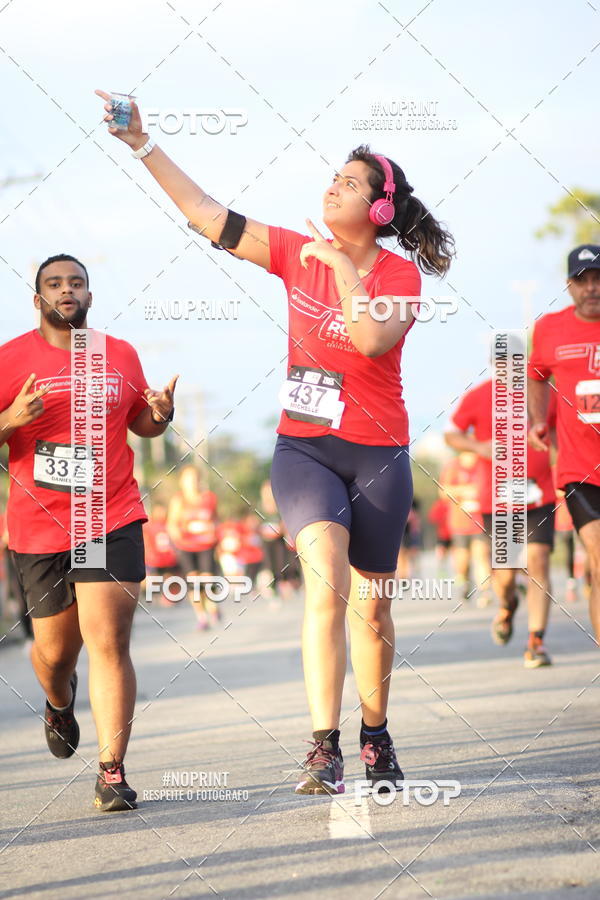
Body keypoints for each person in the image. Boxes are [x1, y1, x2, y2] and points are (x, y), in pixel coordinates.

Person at [95, 90, 454, 795]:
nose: (333, 185)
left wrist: (342, 266)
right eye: (333, 176)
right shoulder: (292, 250)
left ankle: (374, 734)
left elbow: (370, 338)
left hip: (379, 454)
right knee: (325, 575)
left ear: (380, 209)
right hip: (306, 451)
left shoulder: (399, 276)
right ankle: (323, 746)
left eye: (349, 182)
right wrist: (141, 144)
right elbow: (206, 214)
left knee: (373, 605)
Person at [0, 254, 177, 810]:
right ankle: (58, 700)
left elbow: (141, 424)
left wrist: (162, 414)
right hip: (38, 528)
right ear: (38, 300)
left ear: (90, 296)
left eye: (76, 283)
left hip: (109, 515)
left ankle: (112, 771)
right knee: (55, 655)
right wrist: (10, 420)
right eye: (55, 284)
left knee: (108, 639)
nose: (67, 290)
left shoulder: (118, 353)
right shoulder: (9, 360)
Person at [445, 381, 556, 667]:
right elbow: (452, 434)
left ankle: (536, 641)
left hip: (539, 494)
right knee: (505, 576)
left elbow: (562, 432)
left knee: (538, 560)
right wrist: (477, 446)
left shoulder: (545, 394)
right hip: (499, 500)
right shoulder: (480, 394)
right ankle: (508, 606)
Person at [528, 244, 600, 643]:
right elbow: (537, 375)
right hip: (581, 469)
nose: (592, 288)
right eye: (582, 280)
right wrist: (539, 420)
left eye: (598, 279)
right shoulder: (551, 328)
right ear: (570, 286)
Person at [167, 466, 220, 630]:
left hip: (205, 544)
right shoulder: (179, 500)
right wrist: (177, 539)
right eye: (188, 478)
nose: (192, 482)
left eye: (195, 478)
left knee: (207, 579)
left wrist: (216, 535)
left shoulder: (209, 498)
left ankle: (212, 606)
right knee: (194, 581)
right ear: (182, 481)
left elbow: (216, 520)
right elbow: (172, 524)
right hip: (186, 546)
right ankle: (202, 617)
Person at [439, 452, 492, 606]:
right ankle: (465, 583)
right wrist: (465, 491)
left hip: (480, 521)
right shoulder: (453, 466)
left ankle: (485, 591)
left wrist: (479, 493)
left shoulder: (484, 463)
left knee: (481, 556)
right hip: (459, 523)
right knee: (462, 561)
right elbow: (443, 492)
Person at [427, 496, 452, 577]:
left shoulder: (455, 502)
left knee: (457, 553)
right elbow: (432, 517)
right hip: (443, 534)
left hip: (455, 533)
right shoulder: (439, 504)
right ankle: (442, 570)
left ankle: (459, 573)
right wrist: (442, 519)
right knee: (441, 554)